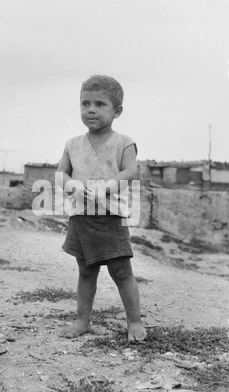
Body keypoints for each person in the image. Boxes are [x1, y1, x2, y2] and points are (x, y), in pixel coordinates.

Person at [57, 75, 147, 343]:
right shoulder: (72, 144)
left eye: (99, 104)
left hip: (111, 217)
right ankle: (82, 320)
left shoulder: (124, 142)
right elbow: (60, 174)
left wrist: (106, 188)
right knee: (85, 271)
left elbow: (130, 172)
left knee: (121, 271)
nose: (91, 109)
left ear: (117, 111)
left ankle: (134, 321)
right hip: (81, 216)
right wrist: (70, 184)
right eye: (85, 104)